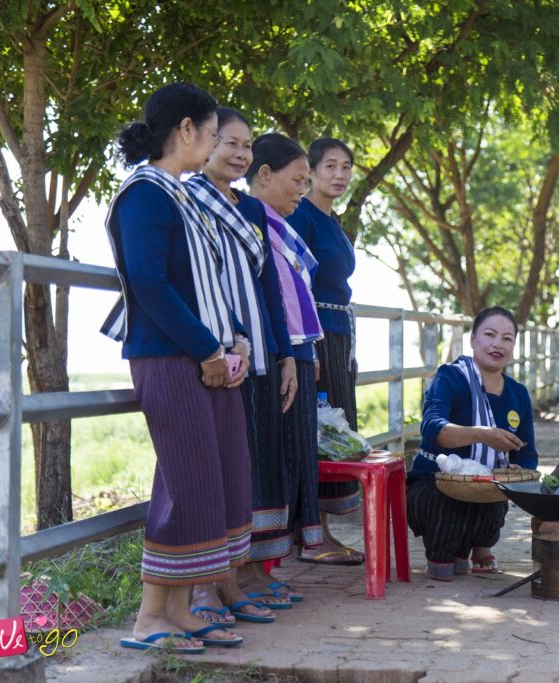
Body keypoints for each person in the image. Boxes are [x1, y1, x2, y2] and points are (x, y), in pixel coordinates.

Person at [103, 83, 248, 652]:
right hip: (169, 357)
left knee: (208, 480)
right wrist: (208, 350)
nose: (215, 146)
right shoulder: (145, 194)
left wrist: (231, 342)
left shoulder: (181, 195)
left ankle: (182, 607)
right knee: (186, 483)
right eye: (213, 134)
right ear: (186, 130)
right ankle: (149, 618)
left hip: (203, 357)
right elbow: (150, 282)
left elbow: (207, 285)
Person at [185, 108, 296, 621]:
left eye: (247, 147)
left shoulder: (252, 210)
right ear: (205, 142)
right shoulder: (187, 198)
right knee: (221, 470)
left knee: (257, 463)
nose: (240, 154)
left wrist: (287, 354)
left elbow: (271, 287)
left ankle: (248, 572)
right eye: (230, 142)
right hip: (218, 352)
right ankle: (210, 583)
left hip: (262, 353)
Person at [244, 132, 327, 587]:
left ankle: (263, 568)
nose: (301, 190)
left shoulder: (278, 226)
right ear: (264, 174)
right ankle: (248, 571)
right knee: (266, 460)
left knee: (288, 461)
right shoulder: (252, 222)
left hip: (296, 349)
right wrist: (284, 355)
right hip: (272, 353)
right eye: (296, 180)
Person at [406, 307, 538, 581]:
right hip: (436, 483)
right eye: (489, 334)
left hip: (486, 488)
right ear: (473, 339)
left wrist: (518, 470)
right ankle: (446, 553)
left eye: (507, 338)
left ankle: (479, 544)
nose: (497, 344)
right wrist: (482, 434)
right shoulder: (451, 377)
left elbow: (528, 455)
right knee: (446, 512)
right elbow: (432, 428)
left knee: (492, 493)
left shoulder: (518, 394)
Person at [286, 137, 364, 564]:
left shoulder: (333, 221)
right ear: (311, 171)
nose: (339, 175)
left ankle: (321, 531)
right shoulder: (304, 217)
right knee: (316, 431)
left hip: (338, 333)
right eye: (330, 166)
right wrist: (310, 348)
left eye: (346, 167)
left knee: (334, 431)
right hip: (316, 334)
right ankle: (311, 535)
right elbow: (296, 284)